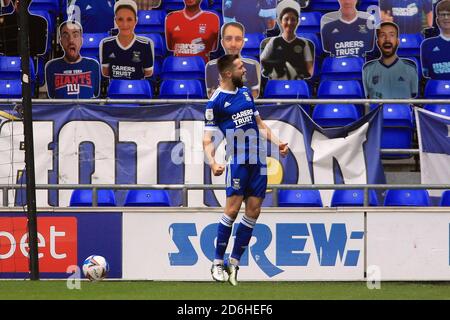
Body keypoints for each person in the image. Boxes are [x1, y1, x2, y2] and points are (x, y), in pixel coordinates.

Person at [203, 54, 289, 286]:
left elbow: (259, 124)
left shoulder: (245, 93)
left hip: (259, 160)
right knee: (231, 211)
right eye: (241, 68)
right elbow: (207, 139)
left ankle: (234, 263)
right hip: (239, 160)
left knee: (254, 210)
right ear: (228, 73)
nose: (246, 71)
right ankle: (217, 262)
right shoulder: (216, 102)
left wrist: (278, 142)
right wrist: (212, 162)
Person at [45, 20, 100, 98]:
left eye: (75, 35)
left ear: (81, 40)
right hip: (63, 110)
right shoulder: (51, 66)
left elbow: (96, 94)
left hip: (85, 110)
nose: (70, 40)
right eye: (65, 36)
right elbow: (52, 96)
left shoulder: (93, 65)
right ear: (60, 41)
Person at [100, 0, 154, 79]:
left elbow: (148, 73)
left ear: (136, 21)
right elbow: (105, 72)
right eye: (120, 19)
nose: (125, 24)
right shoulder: (106, 44)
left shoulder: (145, 45)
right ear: (115, 21)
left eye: (129, 19)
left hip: (137, 89)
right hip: (116, 89)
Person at [260, 0, 314, 80]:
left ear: (297, 22)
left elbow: (309, 69)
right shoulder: (273, 41)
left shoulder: (304, 43)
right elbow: (263, 61)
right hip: (277, 81)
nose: (289, 23)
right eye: (286, 19)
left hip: (297, 82)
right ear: (280, 21)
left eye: (293, 19)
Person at [363, 22, 418, 98]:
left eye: (391, 35)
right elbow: (368, 98)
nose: (387, 39)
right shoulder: (368, 69)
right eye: (382, 35)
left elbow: (413, 95)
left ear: (397, 41)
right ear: (377, 42)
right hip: (378, 109)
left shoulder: (410, 67)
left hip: (402, 110)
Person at [205, 22, 261, 98]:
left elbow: (255, 94)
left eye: (238, 39)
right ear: (222, 42)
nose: (233, 44)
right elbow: (210, 94)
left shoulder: (252, 66)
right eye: (228, 39)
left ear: (243, 42)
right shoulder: (211, 66)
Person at [421, 0, 450, 79]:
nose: (446, 18)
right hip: (437, 89)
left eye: (449, 14)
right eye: (443, 15)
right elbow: (426, 74)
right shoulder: (427, 45)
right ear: (437, 20)